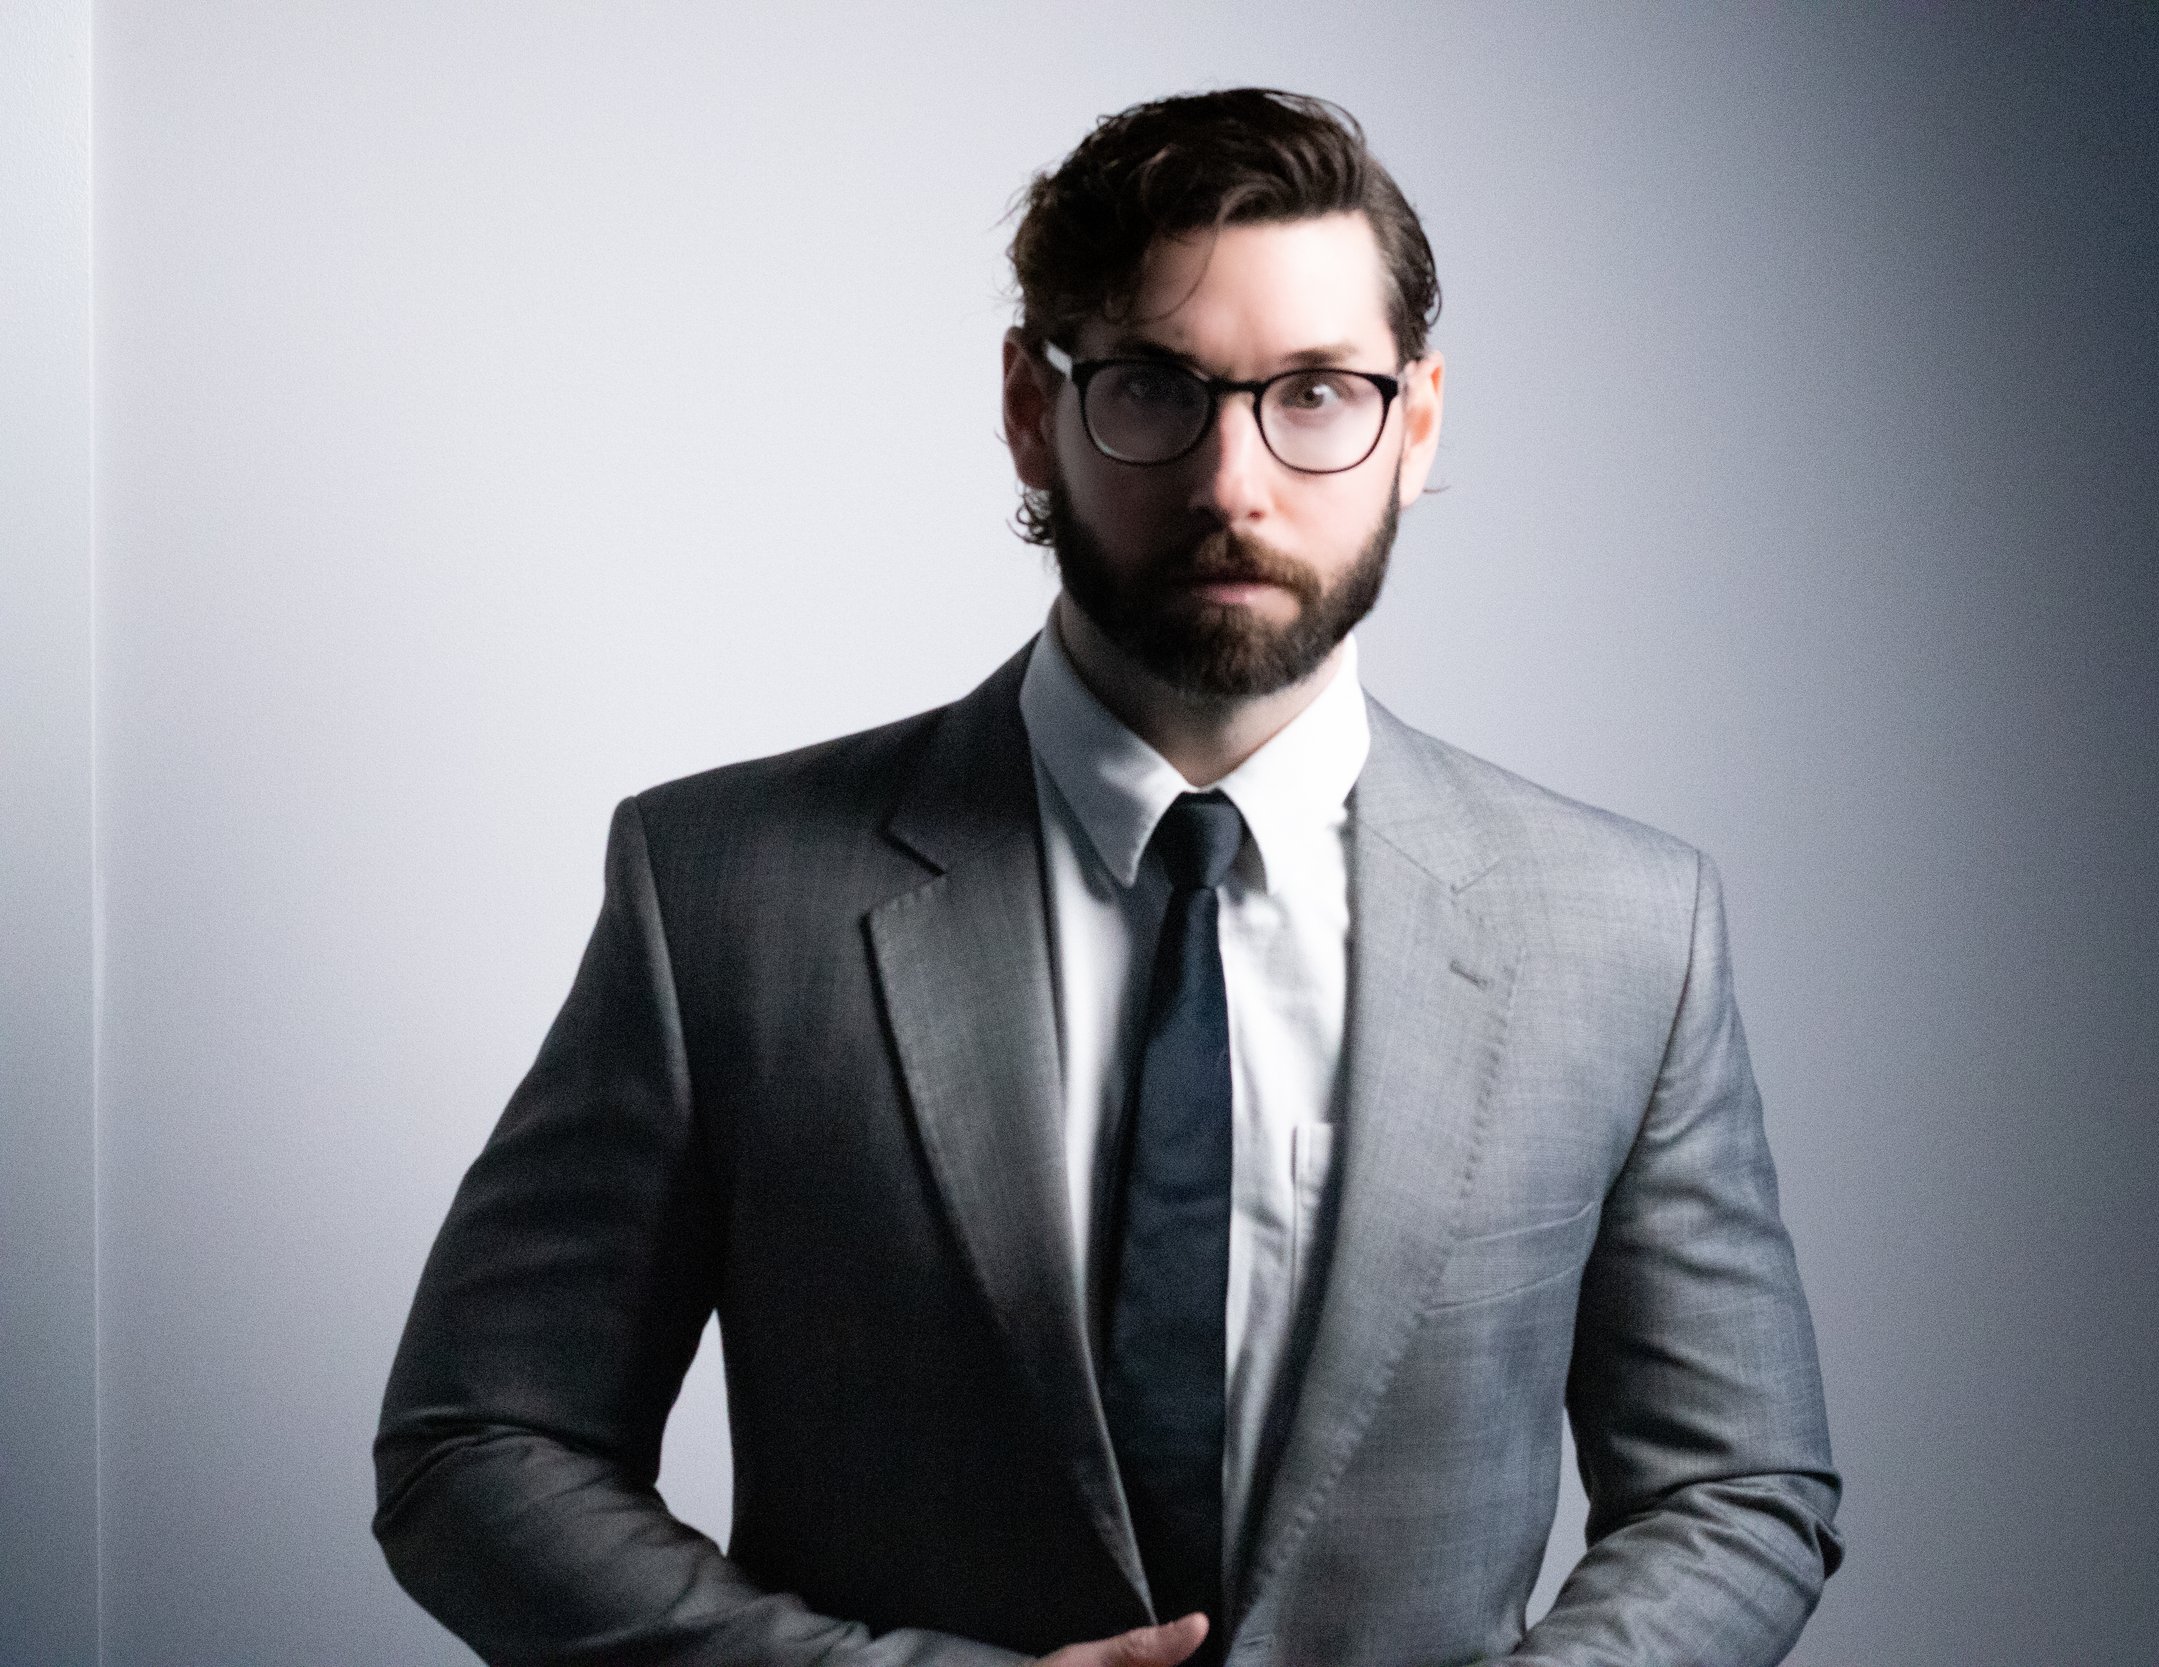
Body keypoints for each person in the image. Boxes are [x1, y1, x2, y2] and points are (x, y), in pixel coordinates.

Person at [374, 87, 1842, 1667]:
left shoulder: (1626, 933)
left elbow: (1740, 1486)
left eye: (1318, 395)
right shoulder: (724, 895)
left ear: (1416, 426)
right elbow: (477, 1445)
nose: (1233, 482)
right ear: (1032, 408)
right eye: (1155, 389)